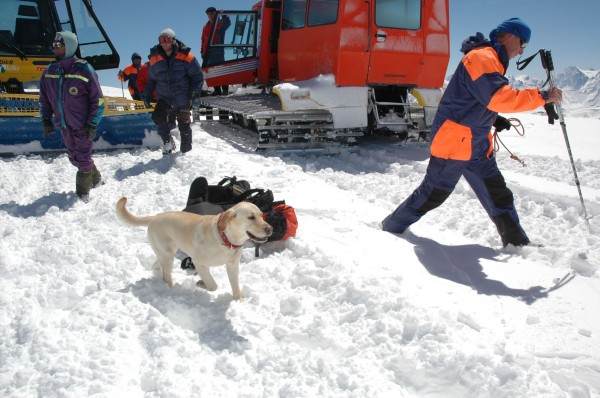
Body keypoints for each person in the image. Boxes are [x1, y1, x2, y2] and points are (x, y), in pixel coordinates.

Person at [381, 18, 563, 247]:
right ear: (510, 36)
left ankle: (517, 243)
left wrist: (494, 118)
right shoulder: (482, 58)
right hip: (454, 141)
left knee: (498, 193)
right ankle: (391, 228)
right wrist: (543, 96)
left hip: (475, 142)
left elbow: (472, 99)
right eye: (523, 44)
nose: (522, 50)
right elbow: (498, 97)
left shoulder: (492, 59)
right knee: (434, 193)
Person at [39, 31, 104, 201]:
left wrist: (92, 124)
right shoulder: (49, 72)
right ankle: (96, 178)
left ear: (69, 46)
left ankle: (82, 195)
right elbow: (44, 99)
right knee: (74, 157)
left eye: (59, 45)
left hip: (82, 125)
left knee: (82, 158)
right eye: (53, 46)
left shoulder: (84, 69)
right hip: (64, 125)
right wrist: (46, 119)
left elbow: (98, 100)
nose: (55, 49)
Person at [144, 28, 203, 154]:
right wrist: (147, 95)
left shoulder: (186, 56)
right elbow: (151, 80)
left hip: (183, 97)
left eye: (168, 40)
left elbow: (197, 76)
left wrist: (194, 93)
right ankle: (168, 143)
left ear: (173, 40)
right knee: (159, 119)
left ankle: (186, 152)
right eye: (162, 40)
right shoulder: (155, 59)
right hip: (164, 97)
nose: (165, 43)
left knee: (184, 125)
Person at [201, 7, 231, 95]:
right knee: (211, 72)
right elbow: (203, 39)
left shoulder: (220, 24)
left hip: (218, 51)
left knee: (222, 71)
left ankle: (225, 90)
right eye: (208, 14)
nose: (210, 15)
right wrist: (202, 51)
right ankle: (217, 90)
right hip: (208, 53)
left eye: (212, 13)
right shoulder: (205, 26)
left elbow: (227, 23)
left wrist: (224, 14)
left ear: (215, 14)